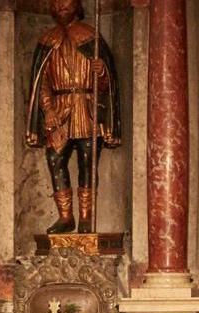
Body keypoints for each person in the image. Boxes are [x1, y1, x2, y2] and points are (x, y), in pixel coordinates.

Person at [24, 0, 121, 234]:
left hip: (87, 110)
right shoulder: (48, 41)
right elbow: (42, 83)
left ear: (77, 5)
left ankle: (86, 217)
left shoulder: (91, 37)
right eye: (56, 2)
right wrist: (48, 110)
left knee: (87, 163)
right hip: (60, 110)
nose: (61, 5)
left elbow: (108, 87)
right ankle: (66, 217)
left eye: (66, 1)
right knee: (55, 159)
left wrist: (102, 73)